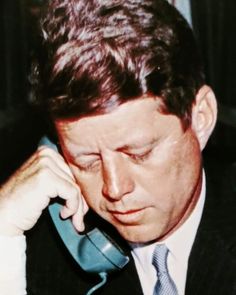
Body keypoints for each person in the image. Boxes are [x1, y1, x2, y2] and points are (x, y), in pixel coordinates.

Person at [0, 0, 236, 294]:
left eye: (139, 154)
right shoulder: (33, 253)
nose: (114, 188)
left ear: (201, 118)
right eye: (86, 161)